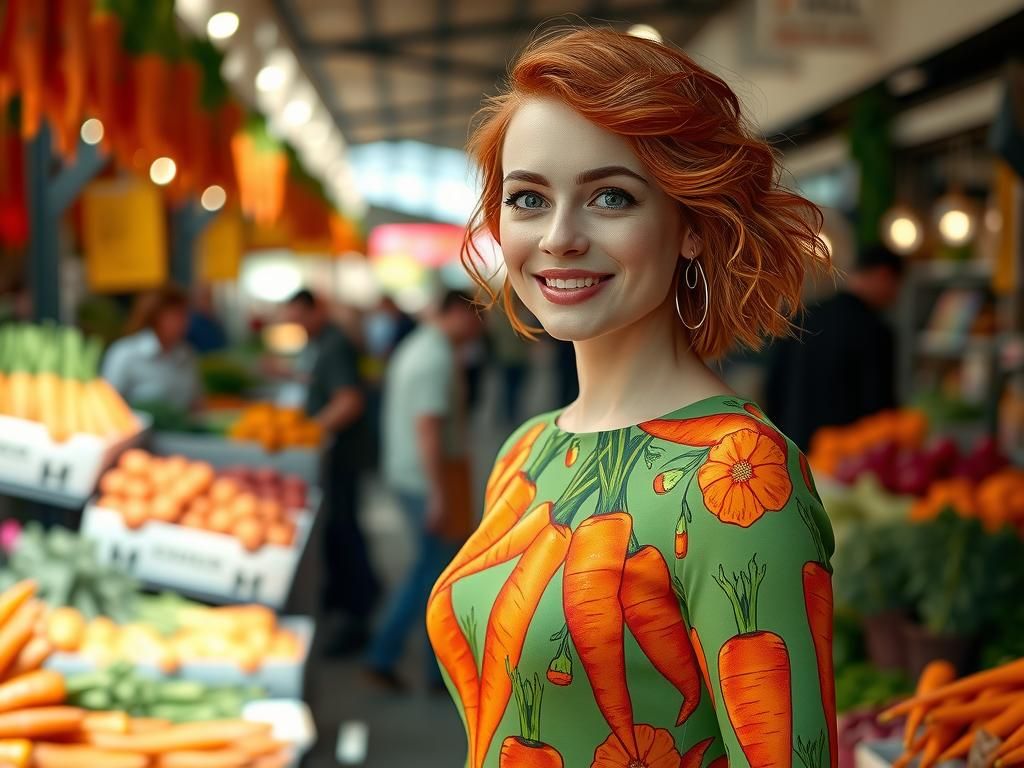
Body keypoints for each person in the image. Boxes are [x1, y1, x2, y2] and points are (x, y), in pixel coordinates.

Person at [426, 28, 839, 768]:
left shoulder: (740, 476)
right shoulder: (526, 451)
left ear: (687, 224)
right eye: (528, 198)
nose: (558, 237)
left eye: (610, 196)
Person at [366, 289, 483, 692]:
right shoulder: (432, 357)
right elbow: (427, 428)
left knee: (433, 571)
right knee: (431, 574)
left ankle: (434, 669)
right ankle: (384, 653)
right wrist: (438, 493)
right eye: (474, 318)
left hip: (417, 474)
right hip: (425, 478)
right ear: (454, 313)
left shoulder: (424, 346)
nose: (478, 329)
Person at [283, 289, 380, 655]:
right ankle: (358, 600)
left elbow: (348, 401)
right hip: (337, 457)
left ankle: (357, 615)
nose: (296, 324)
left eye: (298, 316)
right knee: (342, 530)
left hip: (341, 458)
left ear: (315, 310)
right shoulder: (325, 341)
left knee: (343, 531)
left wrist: (311, 433)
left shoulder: (335, 345)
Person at [764, 244, 905, 451]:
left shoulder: (805, 316)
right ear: (883, 275)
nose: (895, 296)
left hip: (793, 448)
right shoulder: (875, 330)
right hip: (845, 458)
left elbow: (773, 384)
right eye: (897, 286)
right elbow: (879, 410)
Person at [101, 284, 201, 412]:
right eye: (177, 315)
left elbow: (196, 404)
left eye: (185, 315)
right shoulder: (125, 354)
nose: (184, 322)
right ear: (155, 316)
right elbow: (108, 406)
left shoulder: (186, 354)